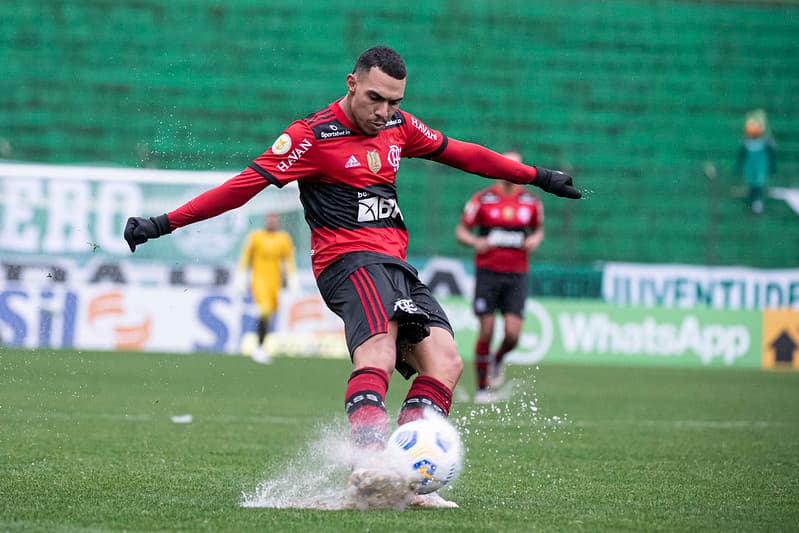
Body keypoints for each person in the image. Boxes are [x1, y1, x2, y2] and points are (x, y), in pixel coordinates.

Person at [123, 45, 580, 507]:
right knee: (378, 354)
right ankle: (370, 465)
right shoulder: (311, 137)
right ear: (352, 83)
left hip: (395, 264)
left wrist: (537, 177)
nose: (384, 112)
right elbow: (242, 188)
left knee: (445, 363)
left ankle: (407, 478)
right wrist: (163, 223)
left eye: (394, 102)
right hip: (348, 262)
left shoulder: (399, 127)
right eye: (375, 98)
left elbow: (462, 153)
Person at [455, 151, 544, 404]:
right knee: (487, 329)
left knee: (513, 334)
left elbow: (538, 230)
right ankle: (482, 389)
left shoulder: (530, 201)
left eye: (515, 166)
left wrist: (535, 240)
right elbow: (462, 230)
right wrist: (475, 241)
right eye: (506, 165)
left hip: (516, 275)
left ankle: (498, 358)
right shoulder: (483, 199)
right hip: (488, 273)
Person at [234, 212, 298, 364]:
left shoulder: (283, 238)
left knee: (269, 315)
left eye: (274, 219)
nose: (272, 222)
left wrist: (292, 279)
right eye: (270, 219)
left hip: (274, 283)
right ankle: (258, 347)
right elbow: (245, 257)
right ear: (265, 220)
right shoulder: (256, 237)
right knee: (264, 310)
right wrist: (241, 277)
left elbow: (288, 260)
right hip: (259, 281)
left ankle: (261, 347)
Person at [736, 109, 776, 215]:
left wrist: (772, 166)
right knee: (752, 184)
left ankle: (757, 201)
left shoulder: (766, 142)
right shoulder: (747, 142)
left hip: (760, 168)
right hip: (751, 168)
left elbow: (771, 154)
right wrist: (738, 167)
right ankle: (754, 201)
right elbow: (742, 154)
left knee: (759, 184)